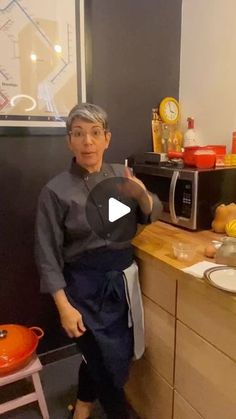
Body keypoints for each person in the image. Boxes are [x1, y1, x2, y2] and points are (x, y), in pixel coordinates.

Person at [35, 103, 163, 419]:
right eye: (78, 134)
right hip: (83, 288)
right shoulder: (55, 191)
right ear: (69, 141)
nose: (87, 142)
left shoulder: (121, 175)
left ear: (107, 138)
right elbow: (46, 255)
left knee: (112, 355)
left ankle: (82, 405)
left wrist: (143, 196)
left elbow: (149, 213)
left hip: (120, 283)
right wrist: (64, 307)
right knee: (104, 363)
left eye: (94, 133)